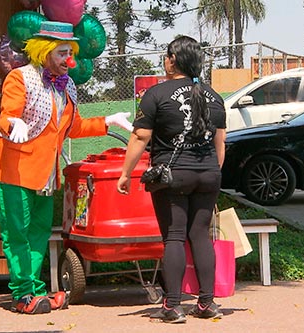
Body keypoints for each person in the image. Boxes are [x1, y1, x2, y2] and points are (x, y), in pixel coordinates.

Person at [0, 21, 132, 315]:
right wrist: (12, 123)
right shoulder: (20, 78)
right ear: (45, 53)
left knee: (39, 232)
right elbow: (8, 114)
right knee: (18, 232)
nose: (70, 60)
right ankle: (22, 293)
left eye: (71, 52)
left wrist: (107, 121)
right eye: (63, 53)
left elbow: (74, 127)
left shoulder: (67, 86)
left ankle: (35, 290)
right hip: (16, 171)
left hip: (46, 173)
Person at [116, 36, 226, 324]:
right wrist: (211, 175)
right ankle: (206, 303)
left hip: (173, 175)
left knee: (174, 236)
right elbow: (220, 143)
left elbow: (141, 136)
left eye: (166, 55)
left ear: (173, 59)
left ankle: (172, 306)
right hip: (209, 173)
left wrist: (126, 173)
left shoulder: (156, 95)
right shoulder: (214, 97)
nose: (164, 60)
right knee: (200, 235)